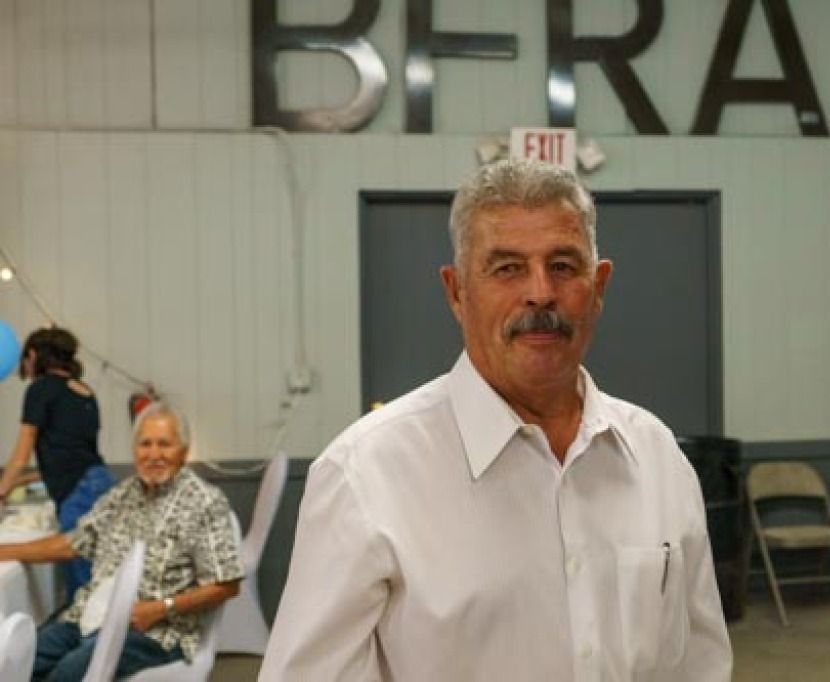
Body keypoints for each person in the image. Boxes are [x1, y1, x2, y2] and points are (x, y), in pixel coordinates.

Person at [260, 159, 731, 681]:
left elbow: (701, 665)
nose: (540, 293)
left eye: (563, 266)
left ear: (598, 287)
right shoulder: (365, 476)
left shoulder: (656, 457)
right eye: (507, 268)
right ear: (456, 293)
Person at [0, 401, 243, 681]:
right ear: (134, 450)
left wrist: (161, 608)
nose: (154, 454)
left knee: (66, 675)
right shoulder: (122, 495)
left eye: (164, 444)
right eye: (145, 444)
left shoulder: (205, 501)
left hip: (155, 632)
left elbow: (227, 584)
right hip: (86, 617)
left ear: (184, 451)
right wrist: (3, 550)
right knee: (21, 659)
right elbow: (72, 544)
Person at [0, 326, 114, 599]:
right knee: (101, 577)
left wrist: (1, 491)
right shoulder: (84, 391)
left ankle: (85, 638)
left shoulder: (41, 389)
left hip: (79, 494)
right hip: (102, 482)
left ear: (34, 355)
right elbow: (72, 456)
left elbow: (20, 454)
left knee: (82, 585)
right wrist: (27, 480)